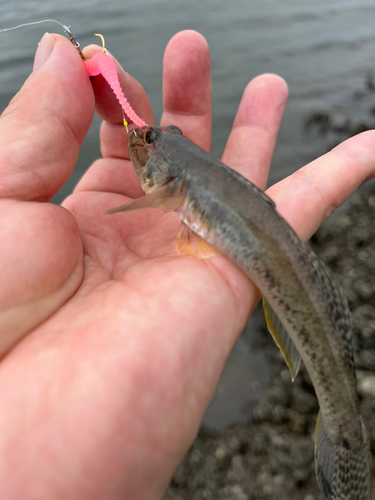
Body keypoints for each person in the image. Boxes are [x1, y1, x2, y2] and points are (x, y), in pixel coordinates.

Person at [0, 29, 373, 499]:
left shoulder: (169, 182)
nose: (144, 142)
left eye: (154, 143)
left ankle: (343, 434)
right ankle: (342, 424)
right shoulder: (173, 179)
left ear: (168, 184)